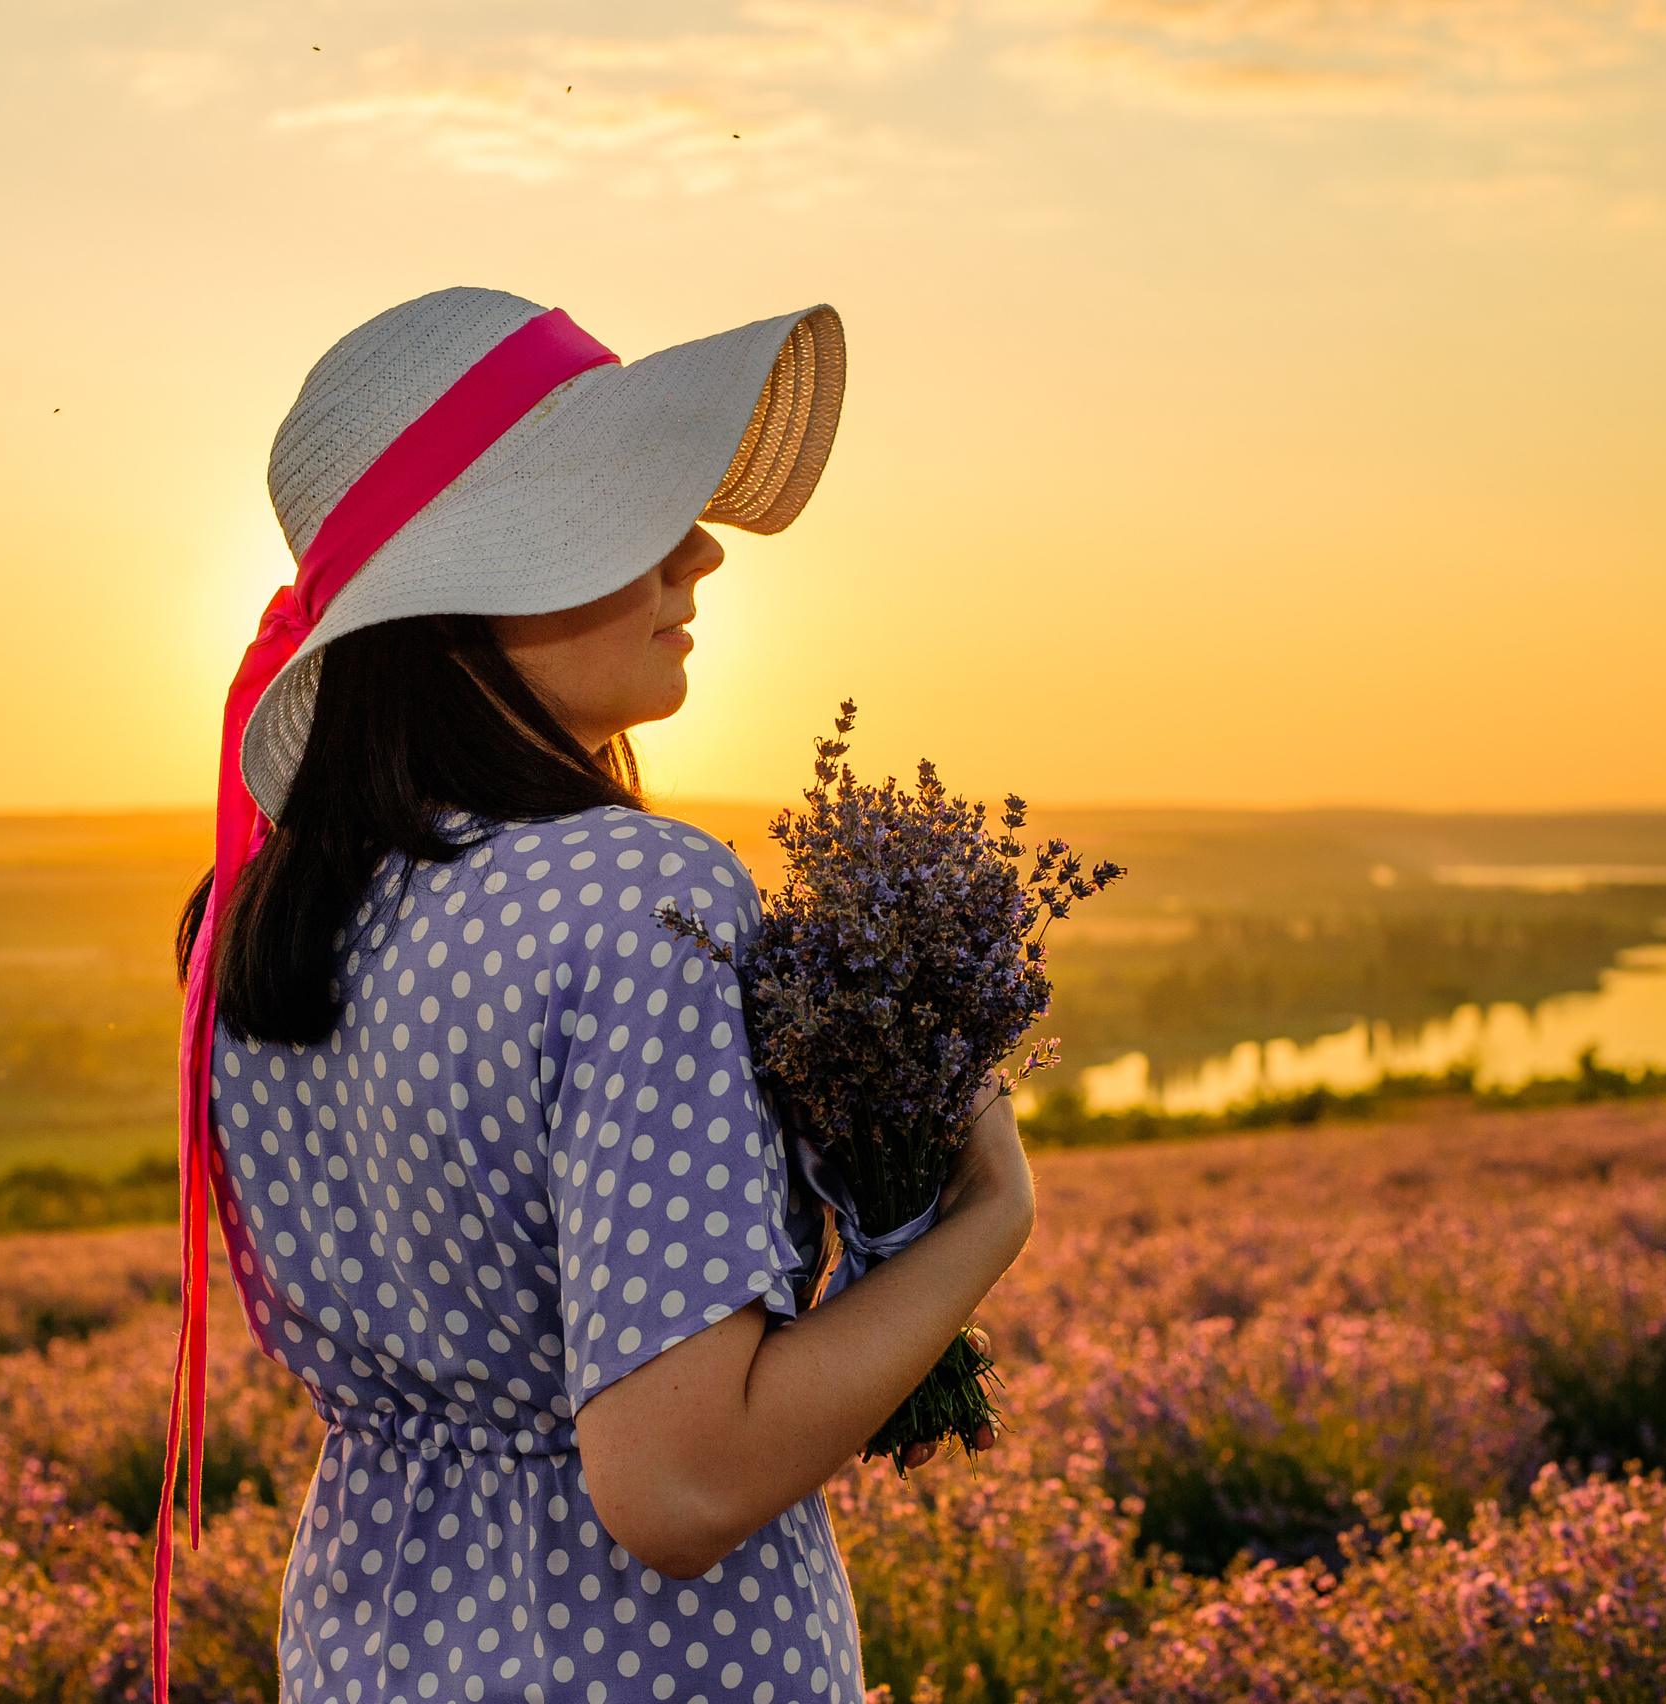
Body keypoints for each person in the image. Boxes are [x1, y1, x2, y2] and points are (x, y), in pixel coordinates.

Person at [163, 288, 1038, 1704]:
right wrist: (988, 1214)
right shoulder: (638, 900)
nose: (698, 551)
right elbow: (680, 1487)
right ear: (466, 587)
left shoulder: (253, 917)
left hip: (366, 1647)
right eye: (623, 515)